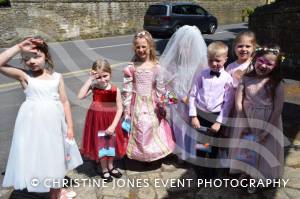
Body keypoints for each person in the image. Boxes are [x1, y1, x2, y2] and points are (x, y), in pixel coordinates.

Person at [0, 37, 82, 199]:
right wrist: (18, 46)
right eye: (26, 58)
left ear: (46, 56)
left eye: (36, 56)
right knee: (37, 157)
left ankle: (56, 192)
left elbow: (64, 102)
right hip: (32, 127)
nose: (31, 61)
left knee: (56, 158)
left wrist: (70, 127)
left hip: (54, 126)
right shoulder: (24, 76)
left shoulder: (57, 77)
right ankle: (45, 188)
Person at [229, 45, 285, 193]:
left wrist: (267, 131)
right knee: (246, 148)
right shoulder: (246, 79)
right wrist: (244, 123)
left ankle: (256, 177)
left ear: (275, 67)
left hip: (267, 122)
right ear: (255, 59)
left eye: (270, 64)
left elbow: (277, 109)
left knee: (262, 150)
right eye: (261, 61)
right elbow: (238, 102)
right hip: (246, 119)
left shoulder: (276, 83)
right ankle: (246, 172)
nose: (264, 65)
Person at [122, 30, 175, 162]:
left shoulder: (156, 67)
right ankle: (139, 155)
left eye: (143, 46)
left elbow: (160, 87)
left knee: (152, 126)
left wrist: (164, 102)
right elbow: (127, 90)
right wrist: (126, 109)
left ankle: (153, 155)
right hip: (136, 102)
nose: (141, 50)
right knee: (139, 127)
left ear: (150, 47)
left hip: (152, 102)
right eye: (138, 47)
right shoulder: (131, 68)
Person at [159, 25, 208, 161]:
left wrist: (194, 100)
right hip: (178, 105)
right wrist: (174, 100)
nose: (185, 49)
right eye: (182, 46)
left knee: (194, 130)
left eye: (189, 46)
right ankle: (181, 153)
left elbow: (205, 85)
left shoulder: (201, 65)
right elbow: (166, 85)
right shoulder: (173, 65)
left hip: (194, 104)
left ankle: (194, 153)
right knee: (179, 129)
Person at [189, 41, 234, 178]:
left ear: (225, 60)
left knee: (213, 145)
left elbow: (228, 103)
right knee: (200, 143)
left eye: (217, 60)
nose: (214, 63)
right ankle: (200, 169)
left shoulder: (227, 79)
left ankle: (211, 171)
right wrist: (193, 115)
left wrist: (219, 122)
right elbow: (192, 94)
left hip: (215, 117)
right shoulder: (202, 74)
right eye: (210, 60)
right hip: (200, 115)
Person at [78, 59, 126, 182]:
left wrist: (113, 126)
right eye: (99, 77)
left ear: (110, 73)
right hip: (96, 122)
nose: (103, 80)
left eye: (105, 76)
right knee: (102, 146)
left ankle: (111, 166)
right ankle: (104, 169)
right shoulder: (94, 87)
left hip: (111, 122)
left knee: (110, 146)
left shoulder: (115, 90)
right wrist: (90, 79)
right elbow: (80, 96)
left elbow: (120, 109)